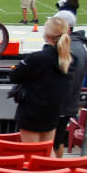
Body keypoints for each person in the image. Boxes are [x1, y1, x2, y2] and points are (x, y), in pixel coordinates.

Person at [9, 15, 72, 143]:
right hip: (53, 112)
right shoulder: (66, 59)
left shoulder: (37, 58)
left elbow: (15, 76)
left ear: (47, 34)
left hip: (32, 112)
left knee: (32, 153)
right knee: (47, 151)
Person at [51, 10, 87, 157]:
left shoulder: (69, 48)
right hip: (67, 103)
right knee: (57, 140)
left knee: (50, 141)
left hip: (60, 104)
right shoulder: (79, 46)